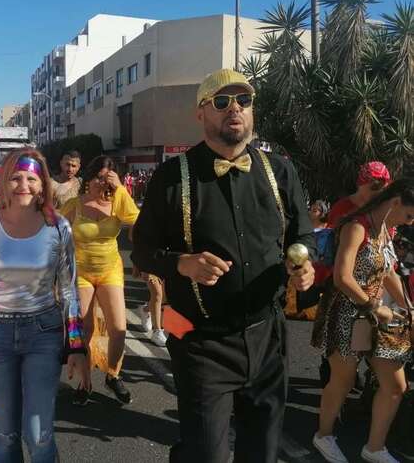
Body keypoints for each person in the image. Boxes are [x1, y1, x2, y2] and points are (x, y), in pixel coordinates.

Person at [132, 69, 316, 462]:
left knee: (262, 451)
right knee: (205, 453)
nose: (235, 109)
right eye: (221, 101)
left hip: (267, 336)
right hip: (200, 341)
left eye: (243, 101)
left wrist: (304, 262)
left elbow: (303, 234)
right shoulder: (172, 176)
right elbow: (142, 251)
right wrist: (182, 263)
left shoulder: (279, 171)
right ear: (201, 113)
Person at [0, 148, 88, 463]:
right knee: (5, 432)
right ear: (4, 181)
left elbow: (69, 290)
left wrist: (77, 346)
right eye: (15, 178)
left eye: (31, 178)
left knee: (39, 434)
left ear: (43, 184)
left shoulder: (58, 226)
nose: (23, 185)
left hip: (44, 334)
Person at [311, 179, 414, 463]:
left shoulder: (384, 231)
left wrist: (408, 307)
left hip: (375, 315)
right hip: (346, 314)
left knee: (395, 386)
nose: (410, 222)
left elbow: (388, 272)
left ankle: (374, 448)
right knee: (343, 381)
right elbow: (342, 277)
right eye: (409, 215)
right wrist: (375, 306)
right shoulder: (357, 227)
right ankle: (323, 435)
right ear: (395, 202)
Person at [60, 155, 140, 406]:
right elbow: (54, 232)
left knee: (118, 329)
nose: (102, 183)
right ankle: (85, 383)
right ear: (88, 178)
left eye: (107, 178)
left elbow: (138, 223)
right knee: (85, 330)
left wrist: (121, 189)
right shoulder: (75, 204)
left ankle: (113, 375)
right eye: (98, 177)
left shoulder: (118, 200)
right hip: (82, 273)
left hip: (110, 271)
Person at [328, 162, 390, 228]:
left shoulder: (381, 209)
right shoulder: (341, 208)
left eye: (384, 189)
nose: (379, 192)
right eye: (376, 186)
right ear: (362, 183)